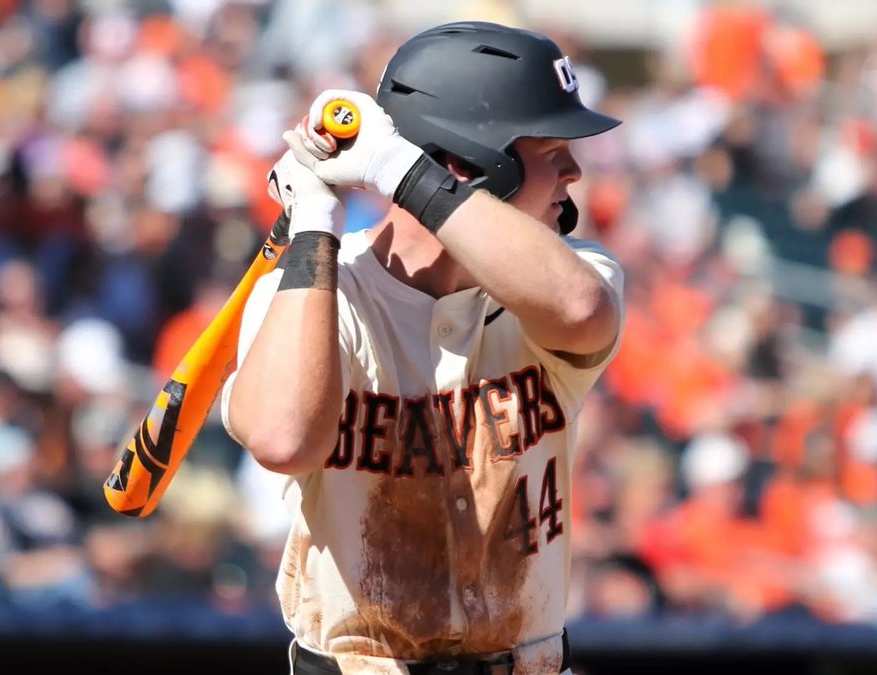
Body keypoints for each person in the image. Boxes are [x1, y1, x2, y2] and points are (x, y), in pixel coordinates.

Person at [221, 21, 625, 675]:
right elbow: (283, 437)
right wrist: (314, 226)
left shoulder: (575, 276)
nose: (574, 171)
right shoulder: (319, 289)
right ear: (469, 164)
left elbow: (579, 310)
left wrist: (396, 167)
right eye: (551, 149)